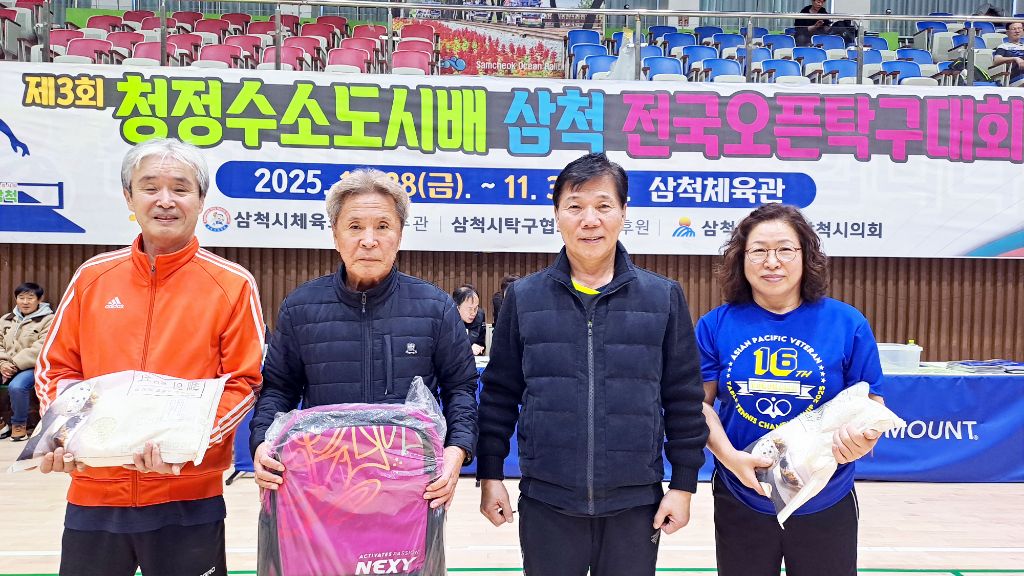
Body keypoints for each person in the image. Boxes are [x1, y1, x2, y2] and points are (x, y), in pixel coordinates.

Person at [34, 138, 266, 576]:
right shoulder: (92, 278)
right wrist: (64, 433)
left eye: (180, 188)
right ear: (129, 197)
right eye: (150, 187)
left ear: (201, 200)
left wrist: (183, 445)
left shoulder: (232, 284)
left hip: (188, 492)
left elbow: (244, 381)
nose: (165, 200)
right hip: (96, 490)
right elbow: (56, 367)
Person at [476, 153, 709, 576]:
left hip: (635, 503)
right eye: (575, 206)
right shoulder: (524, 298)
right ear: (557, 215)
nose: (590, 220)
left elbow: (683, 399)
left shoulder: (663, 297)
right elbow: (498, 396)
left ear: (623, 212)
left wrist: (683, 485)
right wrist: (490, 475)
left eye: (603, 206)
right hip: (547, 499)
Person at [250, 168, 478, 512]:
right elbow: (279, 389)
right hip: (322, 485)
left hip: (413, 489)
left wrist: (455, 451)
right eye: (355, 227)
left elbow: (460, 388)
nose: (369, 240)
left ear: (399, 235)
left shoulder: (436, 307)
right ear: (335, 235)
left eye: (383, 226)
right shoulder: (301, 307)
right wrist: (262, 443)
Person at [695, 203, 885, 576]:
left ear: (806, 255)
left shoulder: (847, 323)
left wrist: (863, 439)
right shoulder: (714, 325)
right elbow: (698, 405)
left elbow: (871, 403)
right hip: (743, 494)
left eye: (785, 249)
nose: (772, 261)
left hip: (825, 496)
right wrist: (730, 458)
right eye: (758, 251)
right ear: (741, 259)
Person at [0, 282, 53, 441]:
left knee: (17, 387)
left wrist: (14, 364)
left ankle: (19, 425)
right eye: (21, 297)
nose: (25, 302)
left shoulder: (48, 320)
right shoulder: (6, 319)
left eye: (30, 298)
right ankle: (2, 425)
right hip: (5, 365)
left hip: (32, 367)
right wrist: (3, 363)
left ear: (39, 300)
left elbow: (41, 347)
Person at [454, 285, 486, 355]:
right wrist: (467, 349)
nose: (473, 313)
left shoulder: (480, 316)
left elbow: (481, 344)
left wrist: (478, 348)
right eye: (470, 309)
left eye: (476, 308)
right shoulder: (446, 319)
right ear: (457, 307)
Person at [993, 21, 1024, 86]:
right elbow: (996, 60)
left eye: (1019, 28)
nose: (1017, 31)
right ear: (1007, 32)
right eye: (1014, 29)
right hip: (1013, 77)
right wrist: (1015, 58)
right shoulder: (1003, 46)